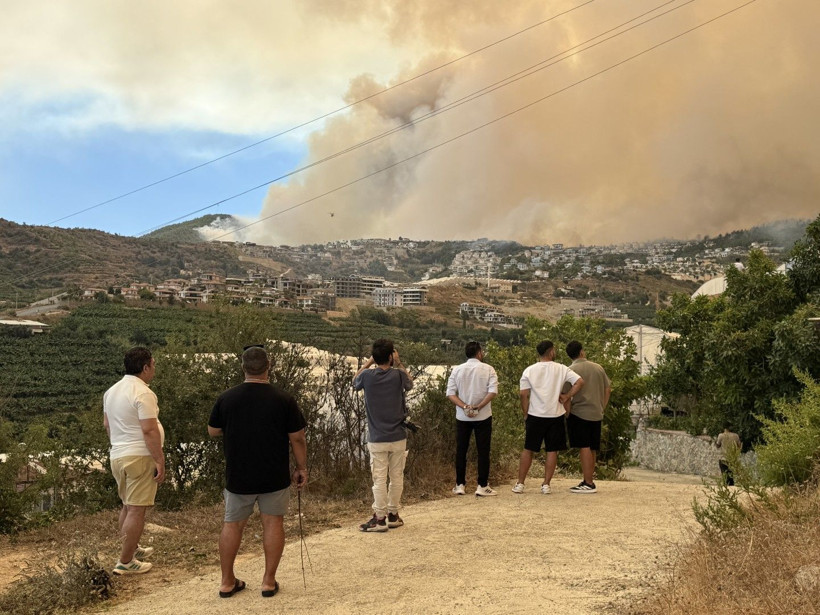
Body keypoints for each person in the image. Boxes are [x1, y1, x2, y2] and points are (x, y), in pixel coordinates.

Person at [208, 346, 308, 598]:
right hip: (274, 474)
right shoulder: (283, 399)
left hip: (238, 474)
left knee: (232, 524)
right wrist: (301, 467)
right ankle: (268, 582)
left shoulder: (227, 398)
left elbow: (213, 430)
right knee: (273, 522)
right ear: (268, 366)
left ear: (243, 367)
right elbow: (297, 437)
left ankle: (227, 582)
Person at [103, 347, 165, 575]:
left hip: (118, 455)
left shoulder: (111, 392)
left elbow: (107, 425)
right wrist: (159, 459)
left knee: (128, 506)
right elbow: (149, 429)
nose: (154, 369)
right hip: (140, 456)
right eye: (153, 365)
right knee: (137, 510)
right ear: (145, 367)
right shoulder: (143, 392)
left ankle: (132, 548)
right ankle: (126, 561)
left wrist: (119, 446)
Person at [353, 338, 413, 532]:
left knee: (379, 478)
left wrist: (368, 362)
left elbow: (354, 381)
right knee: (397, 476)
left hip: (377, 437)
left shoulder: (367, 377)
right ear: (390, 356)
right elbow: (410, 383)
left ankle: (380, 518)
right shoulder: (398, 375)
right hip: (398, 436)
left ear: (375, 356)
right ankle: (393, 514)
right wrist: (399, 362)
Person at [512, 341, 584, 495]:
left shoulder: (529, 370)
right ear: (551, 351)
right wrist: (567, 396)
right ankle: (546, 484)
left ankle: (520, 483)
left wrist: (525, 412)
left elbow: (523, 394)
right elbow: (579, 382)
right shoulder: (561, 368)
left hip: (535, 414)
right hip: (555, 414)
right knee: (552, 450)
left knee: (529, 449)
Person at [446, 341, 499, 496]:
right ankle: (482, 485)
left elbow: (450, 393)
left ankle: (460, 484)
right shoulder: (489, 369)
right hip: (483, 416)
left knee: (461, 450)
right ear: (479, 353)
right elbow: (493, 392)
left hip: (462, 417)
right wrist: (479, 407)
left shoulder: (457, 370)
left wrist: (464, 406)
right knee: (483, 451)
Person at [563, 341, 611, 494]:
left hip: (579, 412)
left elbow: (565, 395)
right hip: (596, 412)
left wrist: (567, 413)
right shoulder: (598, 368)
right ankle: (589, 479)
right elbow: (607, 388)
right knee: (592, 447)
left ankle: (588, 482)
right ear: (582, 351)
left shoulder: (570, 370)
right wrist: (602, 406)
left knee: (583, 446)